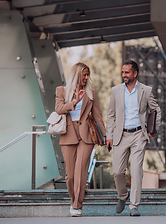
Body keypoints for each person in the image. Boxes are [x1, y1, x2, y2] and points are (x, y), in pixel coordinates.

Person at [106, 59, 161, 216]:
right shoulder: (116, 91)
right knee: (117, 171)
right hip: (120, 135)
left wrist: (154, 128)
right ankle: (123, 196)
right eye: (122, 72)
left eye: (127, 72)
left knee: (136, 171)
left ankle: (134, 206)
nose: (123, 75)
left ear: (135, 73)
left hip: (138, 135)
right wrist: (109, 135)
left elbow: (156, 110)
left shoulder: (146, 90)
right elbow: (111, 115)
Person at [55, 62, 106, 217]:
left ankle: (77, 205)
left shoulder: (92, 93)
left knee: (81, 170)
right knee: (70, 175)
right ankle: (73, 201)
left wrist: (105, 135)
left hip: (86, 135)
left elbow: (97, 116)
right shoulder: (62, 90)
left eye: (87, 75)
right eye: (84, 74)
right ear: (77, 75)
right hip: (68, 134)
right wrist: (75, 101)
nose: (86, 78)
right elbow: (59, 109)